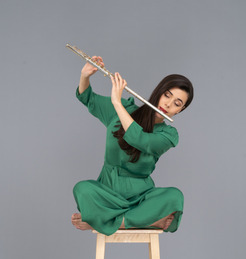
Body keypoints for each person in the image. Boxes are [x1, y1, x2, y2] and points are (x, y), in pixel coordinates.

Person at [71, 56, 194, 236]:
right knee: (82, 189)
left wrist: (116, 103)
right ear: (158, 92)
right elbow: (88, 98)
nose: (168, 104)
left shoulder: (168, 135)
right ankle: (145, 221)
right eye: (167, 95)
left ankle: (101, 221)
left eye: (177, 103)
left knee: (175, 196)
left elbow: (141, 140)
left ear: (180, 110)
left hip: (140, 197)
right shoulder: (126, 109)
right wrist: (85, 76)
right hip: (108, 192)